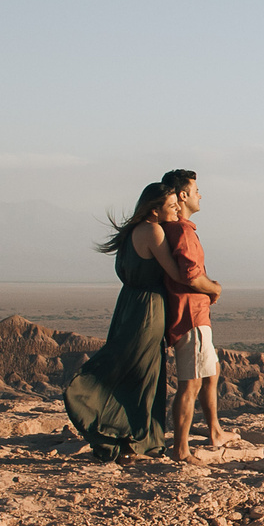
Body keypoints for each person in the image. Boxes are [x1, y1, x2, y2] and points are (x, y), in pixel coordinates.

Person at [63, 181, 196, 461]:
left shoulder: (131, 233)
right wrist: (210, 287)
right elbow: (175, 273)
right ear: (154, 208)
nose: (176, 211)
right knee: (145, 373)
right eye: (171, 206)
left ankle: (128, 437)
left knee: (132, 367)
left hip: (128, 305)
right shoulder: (153, 231)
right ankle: (137, 441)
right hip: (149, 308)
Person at [158, 168, 226, 460]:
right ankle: (181, 449)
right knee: (191, 382)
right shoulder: (182, 231)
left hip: (196, 313)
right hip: (190, 314)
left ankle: (215, 432)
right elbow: (190, 275)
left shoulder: (177, 230)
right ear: (183, 195)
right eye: (196, 189)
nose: (200, 195)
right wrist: (214, 289)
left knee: (211, 371)